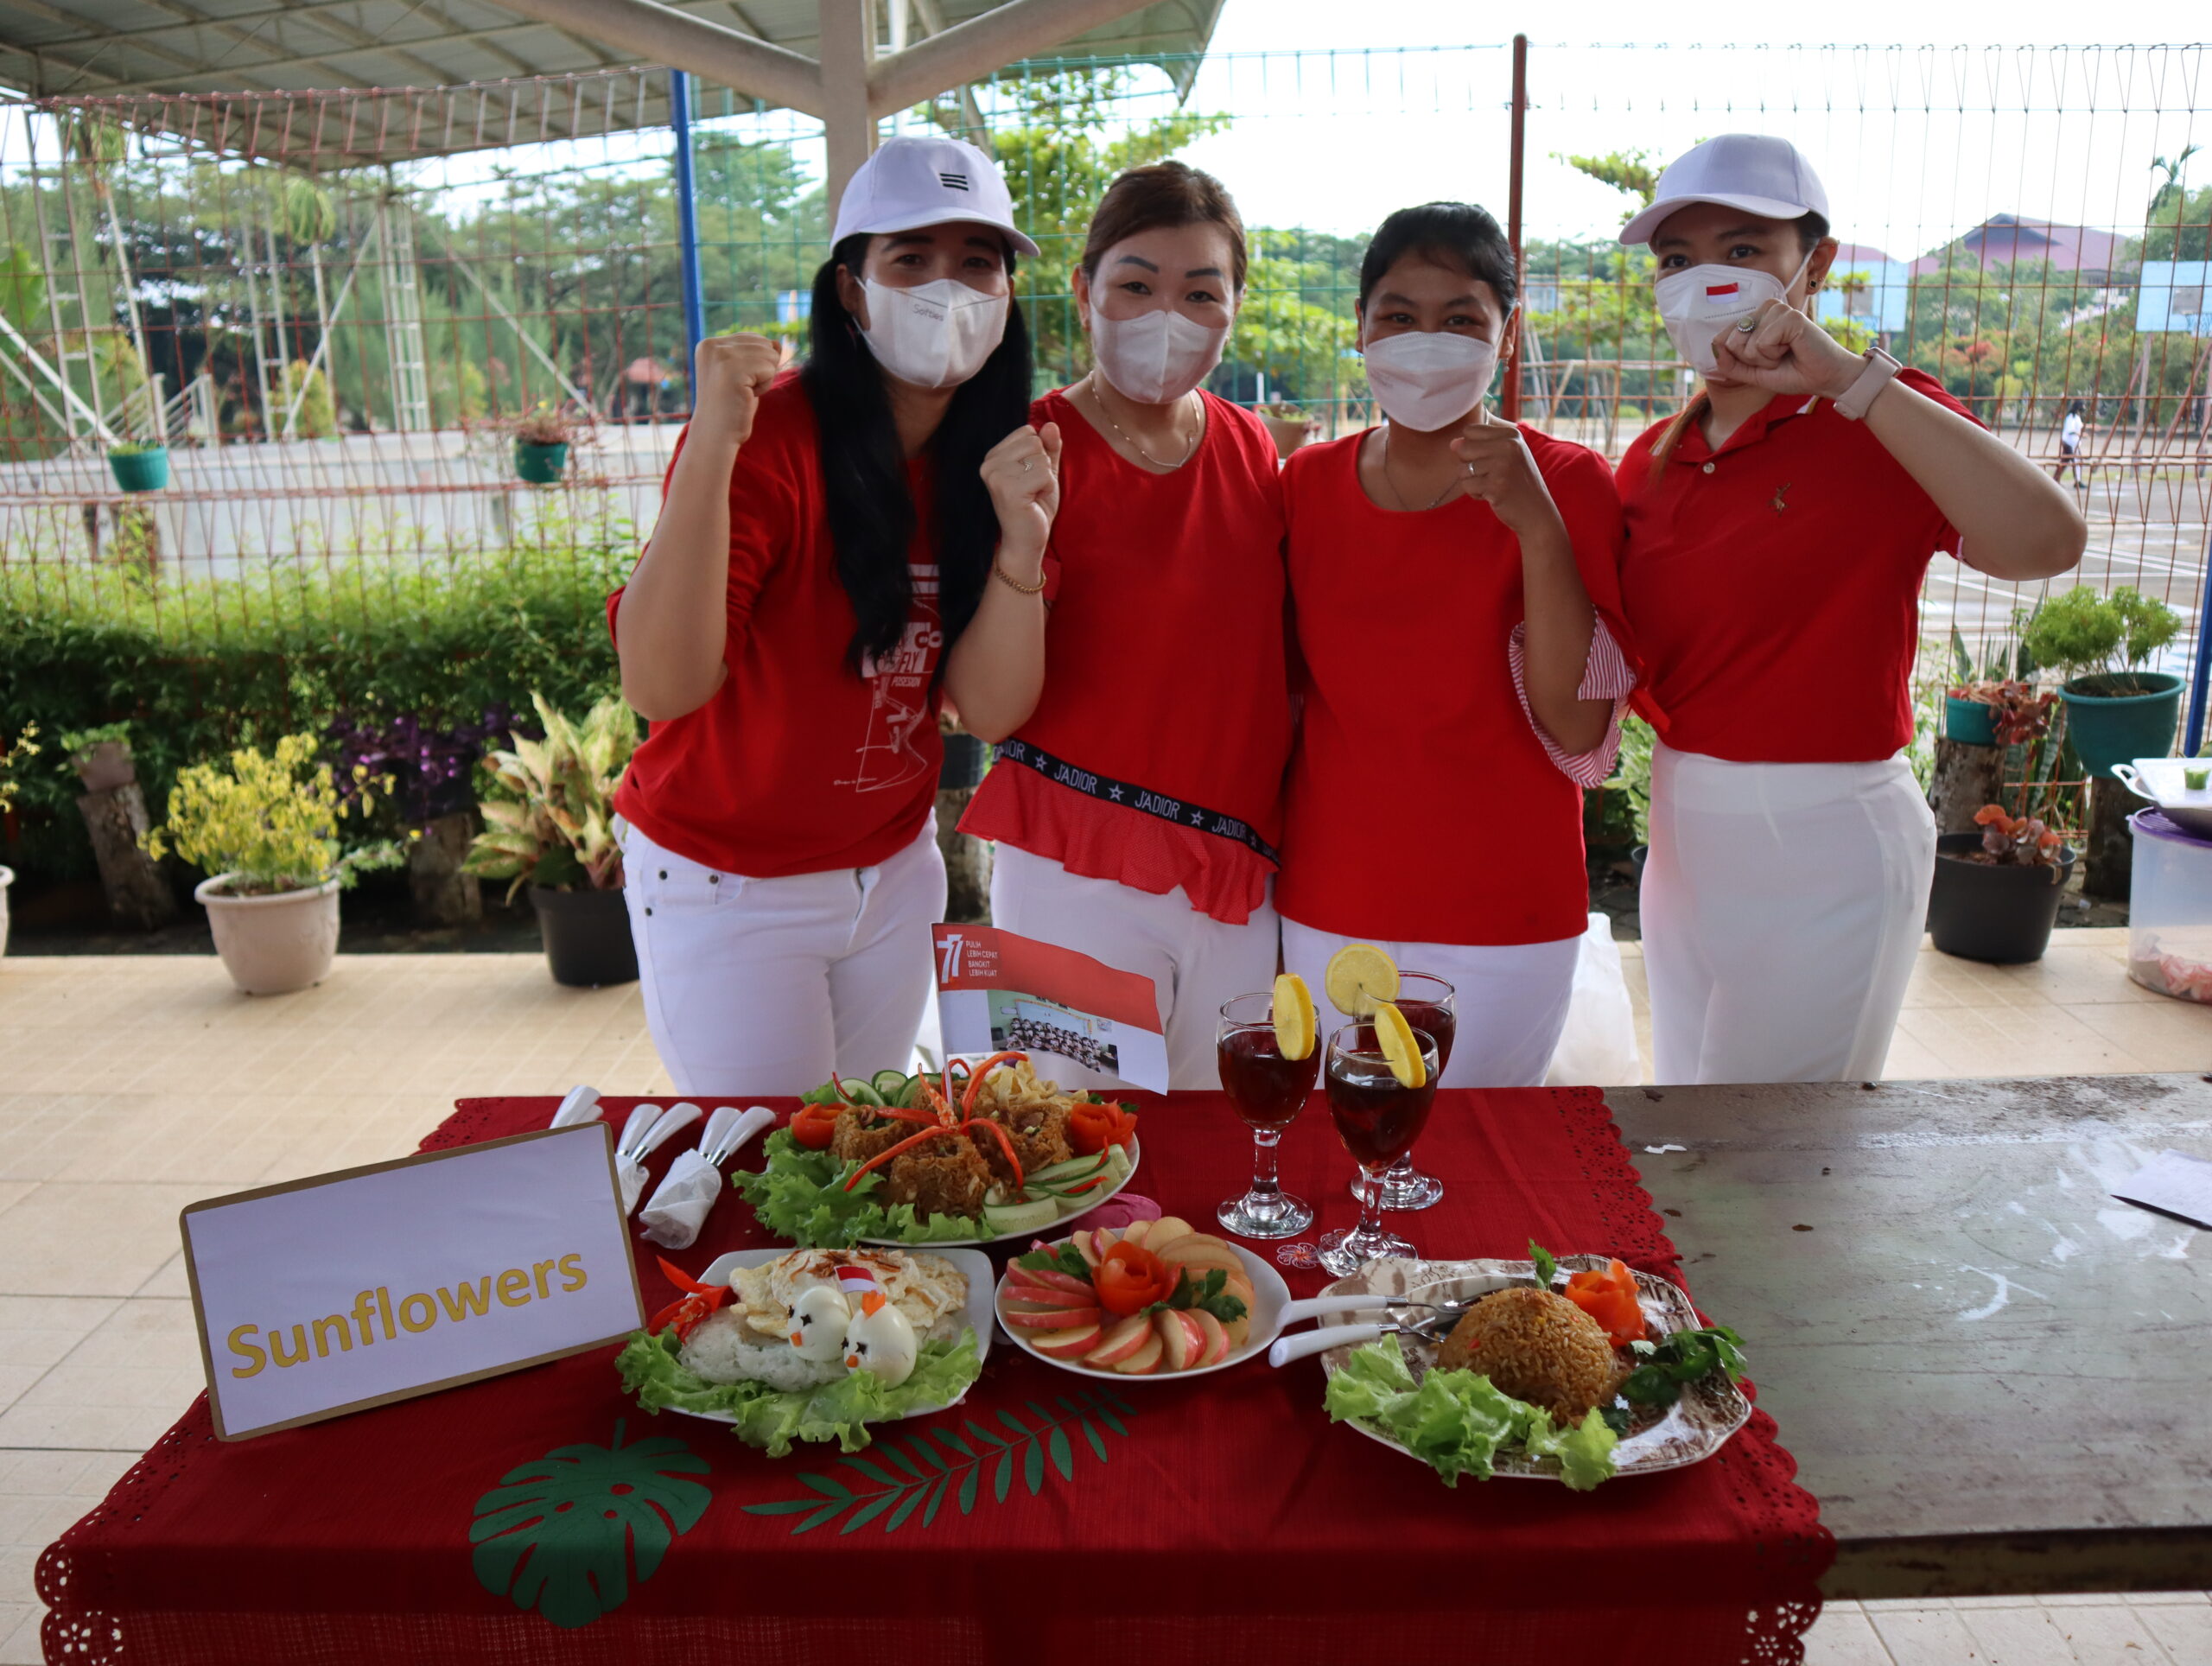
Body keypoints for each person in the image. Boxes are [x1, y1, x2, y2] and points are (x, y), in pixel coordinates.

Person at [1616, 134, 2087, 1084]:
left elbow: (2045, 542)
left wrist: (1849, 381)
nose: (1706, 277)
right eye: (1677, 259)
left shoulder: (1875, 415)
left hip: (1824, 833)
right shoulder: (1653, 456)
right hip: (1682, 822)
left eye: (1743, 251)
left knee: (1771, 1150)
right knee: (1688, 1118)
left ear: (1814, 265)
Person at [608, 136, 1059, 1094]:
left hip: (894, 874)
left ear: (1009, 292)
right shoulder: (767, 436)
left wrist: (1020, 546)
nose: (949, 288)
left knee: (865, 1158)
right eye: (910, 260)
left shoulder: (994, 461)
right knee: (773, 1169)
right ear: (852, 289)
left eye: (977, 261)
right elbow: (661, 684)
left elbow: (988, 711)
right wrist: (710, 452)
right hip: (731, 884)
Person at [1277, 201, 1634, 1094]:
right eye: (1398, 315)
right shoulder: (1307, 486)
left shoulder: (1564, 481)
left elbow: (1576, 721)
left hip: (1504, 912)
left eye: (1460, 319)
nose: (1425, 341)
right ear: (1359, 327)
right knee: (1342, 1152)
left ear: (1504, 338)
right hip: (1332, 896)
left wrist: (1537, 530)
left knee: (1473, 1159)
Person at [958, 162, 1290, 1091]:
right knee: (1069, 1153)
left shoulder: (1251, 445)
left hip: (1231, 870)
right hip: (1074, 867)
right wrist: (1019, 546)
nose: (1166, 315)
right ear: (1084, 289)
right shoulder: (1031, 451)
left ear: (1235, 304)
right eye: (1136, 285)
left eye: (1200, 291)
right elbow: (987, 706)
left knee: (1224, 1142)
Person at [2056, 399, 2088, 488]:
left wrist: (2092, 427)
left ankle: (2076, 481)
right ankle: (2076, 481)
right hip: (2069, 443)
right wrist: (2082, 434)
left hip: (2074, 444)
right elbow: (2071, 431)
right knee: (2074, 462)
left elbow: (2080, 426)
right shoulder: (2071, 417)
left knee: (2068, 461)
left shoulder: (2077, 417)